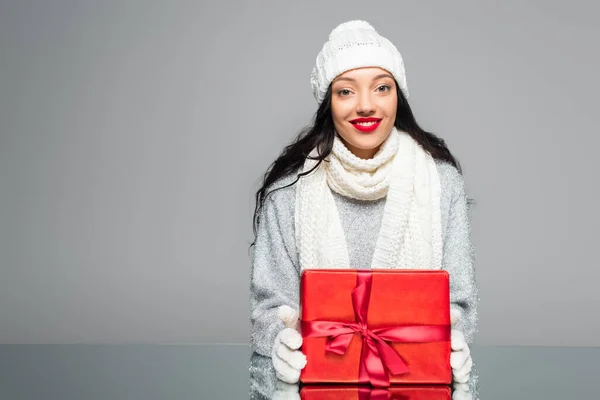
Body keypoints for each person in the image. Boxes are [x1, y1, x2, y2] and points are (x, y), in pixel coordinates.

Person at [248, 20, 479, 400]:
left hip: (417, 383)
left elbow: (459, 302)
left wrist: (452, 341)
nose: (366, 105)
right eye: (346, 91)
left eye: (381, 87)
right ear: (329, 103)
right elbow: (270, 307)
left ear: (397, 97)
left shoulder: (441, 182)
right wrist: (280, 344)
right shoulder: (288, 191)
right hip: (319, 382)